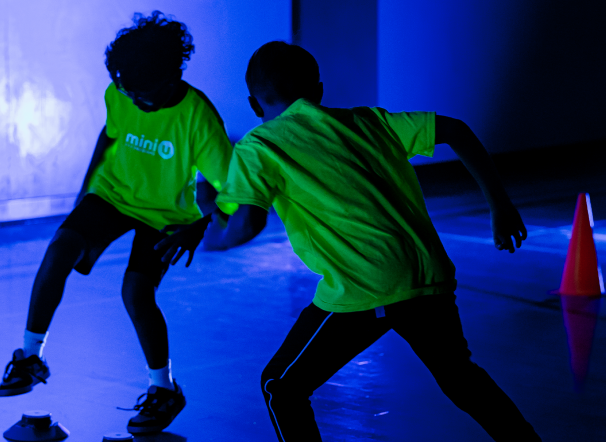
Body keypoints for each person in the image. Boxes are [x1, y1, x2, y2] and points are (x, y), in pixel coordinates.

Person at [214, 41, 542, 441]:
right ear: (318, 91)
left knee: (281, 386)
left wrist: (214, 240)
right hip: (428, 275)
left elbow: (246, 222)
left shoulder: (259, 145)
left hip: (367, 285)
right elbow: (455, 129)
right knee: (461, 379)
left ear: (252, 104)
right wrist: (500, 205)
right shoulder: (370, 121)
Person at [0, 11, 250, 435]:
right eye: (126, 90)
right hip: (114, 193)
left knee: (135, 292)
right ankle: (29, 358)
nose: (132, 99)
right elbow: (110, 134)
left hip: (168, 212)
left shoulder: (199, 118)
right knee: (60, 248)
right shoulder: (122, 90)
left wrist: (198, 226)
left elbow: (232, 192)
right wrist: (83, 196)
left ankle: (164, 389)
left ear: (172, 78)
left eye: (142, 95)